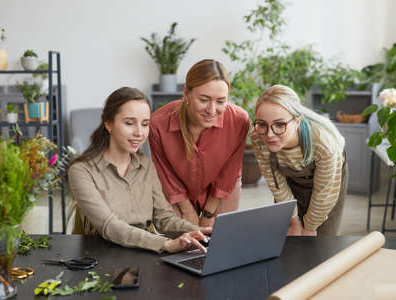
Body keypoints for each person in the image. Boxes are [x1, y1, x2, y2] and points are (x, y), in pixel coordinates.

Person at [68, 87, 210, 253]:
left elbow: (164, 218)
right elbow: (109, 226)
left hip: (144, 251)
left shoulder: (145, 165)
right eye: (129, 123)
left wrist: (199, 232)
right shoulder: (81, 171)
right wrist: (164, 244)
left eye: (145, 124)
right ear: (108, 124)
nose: (139, 133)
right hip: (101, 255)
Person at [149, 59, 250, 227]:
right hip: (176, 190)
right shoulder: (157, 123)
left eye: (220, 101)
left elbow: (230, 171)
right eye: (203, 100)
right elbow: (165, 173)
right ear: (186, 93)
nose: (211, 110)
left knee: (221, 238)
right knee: (181, 239)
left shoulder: (239, 120)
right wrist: (187, 210)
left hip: (222, 188)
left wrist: (209, 214)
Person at [250, 85, 348, 236]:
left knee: (322, 244)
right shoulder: (258, 137)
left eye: (280, 124)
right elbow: (276, 183)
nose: (269, 134)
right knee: (286, 239)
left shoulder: (323, 143)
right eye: (262, 124)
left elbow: (324, 193)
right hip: (290, 181)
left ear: (297, 121)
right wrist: (293, 220)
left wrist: (310, 227)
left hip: (327, 185)